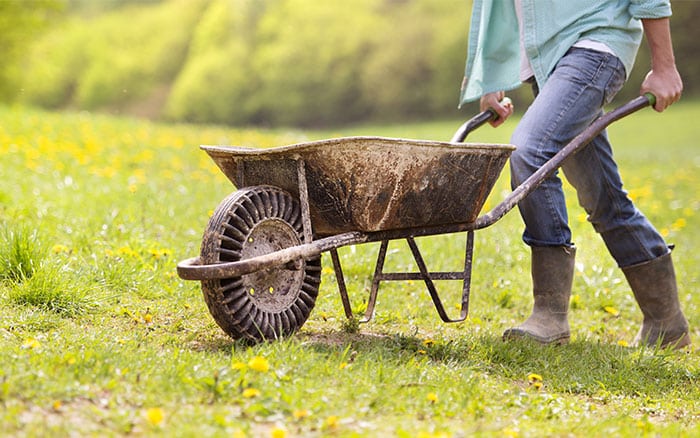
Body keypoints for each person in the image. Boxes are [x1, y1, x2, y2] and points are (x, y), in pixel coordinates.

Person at [459, 0, 691, 349]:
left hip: (594, 46)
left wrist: (665, 66)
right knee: (603, 197)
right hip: (545, 63)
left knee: (530, 152)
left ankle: (549, 315)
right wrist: (490, 80)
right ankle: (666, 322)